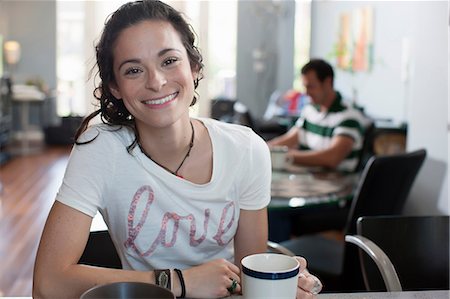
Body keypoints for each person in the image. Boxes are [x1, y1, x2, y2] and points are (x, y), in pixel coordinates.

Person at [33, 1, 322, 298]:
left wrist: (275, 283)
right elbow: (47, 283)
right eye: (133, 70)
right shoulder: (100, 150)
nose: (156, 82)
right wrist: (178, 281)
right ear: (115, 87)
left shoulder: (246, 149)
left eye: (169, 61)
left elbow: (246, 278)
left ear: (194, 67)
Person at [267, 59, 367, 173]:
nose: (306, 93)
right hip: (309, 178)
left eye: (311, 87)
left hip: (336, 184)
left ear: (328, 82)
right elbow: (292, 137)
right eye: (305, 87)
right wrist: (264, 149)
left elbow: (332, 157)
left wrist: (287, 156)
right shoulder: (310, 110)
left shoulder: (349, 116)